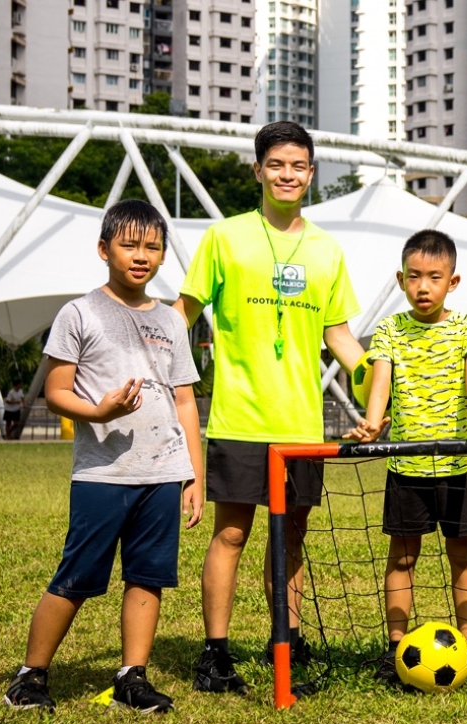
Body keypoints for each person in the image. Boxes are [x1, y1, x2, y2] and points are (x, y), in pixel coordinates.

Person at [174, 121, 365, 694]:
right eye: (276, 164)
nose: (288, 175)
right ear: (258, 171)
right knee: (231, 534)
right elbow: (178, 316)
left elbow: (341, 337)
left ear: (311, 173)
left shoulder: (328, 249)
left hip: (302, 424)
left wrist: (380, 374)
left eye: (299, 166)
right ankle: (215, 653)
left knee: (294, 535)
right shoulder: (225, 238)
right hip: (239, 417)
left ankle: (289, 636)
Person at [2, 200, 204, 714]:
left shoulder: (172, 321)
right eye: (129, 245)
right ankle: (30, 676)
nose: (142, 256)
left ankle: (131, 679)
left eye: (152, 247)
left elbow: (184, 401)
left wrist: (193, 475)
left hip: (163, 472)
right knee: (77, 576)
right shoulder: (79, 313)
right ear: (104, 249)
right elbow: (55, 390)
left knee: (148, 577)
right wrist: (99, 410)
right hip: (103, 474)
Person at [346, 229, 467, 687]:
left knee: (463, 557)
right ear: (400, 278)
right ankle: (396, 649)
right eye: (414, 276)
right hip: (406, 467)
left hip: (459, 466)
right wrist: (373, 423)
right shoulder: (390, 330)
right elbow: (381, 385)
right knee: (402, 560)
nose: (423, 286)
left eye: (434, 277)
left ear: (452, 281)